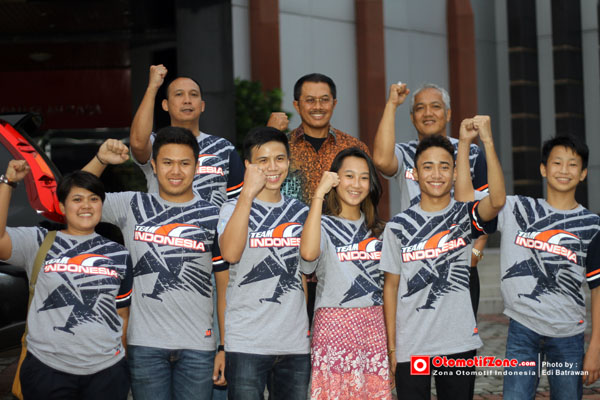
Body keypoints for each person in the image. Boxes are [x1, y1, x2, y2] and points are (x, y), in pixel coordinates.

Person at [83, 127, 228, 400]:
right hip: (144, 345)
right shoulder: (132, 204)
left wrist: (224, 346)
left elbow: (225, 286)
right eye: (167, 162)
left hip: (198, 345)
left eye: (184, 163)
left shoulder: (215, 216)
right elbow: (73, 199)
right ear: (153, 165)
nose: (176, 171)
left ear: (196, 167)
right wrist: (100, 160)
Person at [460, 135, 599, 399]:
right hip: (522, 330)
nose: (564, 170)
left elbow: (598, 289)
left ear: (583, 173)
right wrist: (473, 142)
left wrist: (595, 348)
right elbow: (465, 198)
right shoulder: (517, 208)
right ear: (543, 169)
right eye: (557, 162)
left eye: (572, 164)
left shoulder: (591, 224)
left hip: (568, 334)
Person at [381, 116, 505, 400]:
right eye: (428, 166)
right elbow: (391, 287)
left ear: (454, 173)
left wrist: (485, 140)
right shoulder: (397, 227)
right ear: (415, 173)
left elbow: (497, 201)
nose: (436, 174)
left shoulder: (463, 216)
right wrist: (392, 347)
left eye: (444, 166)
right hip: (412, 346)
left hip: (457, 343)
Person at [0, 167, 132, 400]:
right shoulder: (39, 241)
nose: (86, 206)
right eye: (77, 199)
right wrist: (8, 183)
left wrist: (120, 361)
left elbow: (122, 315)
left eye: (94, 199)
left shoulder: (119, 254)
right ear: (62, 207)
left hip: (106, 373)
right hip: (47, 369)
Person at [372, 82, 488, 316]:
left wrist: (476, 252)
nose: (427, 113)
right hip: (416, 260)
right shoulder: (406, 153)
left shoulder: (471, 152)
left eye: (435, 106)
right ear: (412, 117)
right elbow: (382, 161)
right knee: (415, 330)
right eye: (420, 108)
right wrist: (392, 104)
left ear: (448, 114)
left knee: (461, 334)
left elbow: (486, 207)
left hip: (458, 261)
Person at [268, 72, 371, 323]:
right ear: (296, 105)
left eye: (324, 100)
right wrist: (269, 133)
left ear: (334, 103)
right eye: (310, 100)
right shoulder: (282, 149)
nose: (318, 106)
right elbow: (258, 186)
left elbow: (369, 203)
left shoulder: (353, 148)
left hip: (342, 268)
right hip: (289, 266)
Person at [218, 127, 311, 400]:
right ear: (248, 165)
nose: (272, 167)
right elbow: (230, 254)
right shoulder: (231, 208)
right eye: (263, 160)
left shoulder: (301, 212)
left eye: (279, 159)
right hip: (246, 342)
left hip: (293, 344)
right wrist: (247, 194)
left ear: (288, 162)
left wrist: (302, 328)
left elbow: (303, 275)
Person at [299, 147, 391, 399]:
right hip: (333, 326)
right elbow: (308, 255)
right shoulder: (321, 225)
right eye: (349, 176)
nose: (356, 184)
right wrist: (319, 194)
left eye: (364, 177)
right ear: (335, 179)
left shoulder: (381, 231)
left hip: (373, 326)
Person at [129, 64, 244, 207]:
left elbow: (240, 202)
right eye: (179, 94)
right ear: (165, 105)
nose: (187, 100)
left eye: (193, 95)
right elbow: (138, 143)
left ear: (202, 105)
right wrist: (153, 87)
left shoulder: (223, 148)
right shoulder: (156, 143)